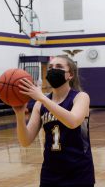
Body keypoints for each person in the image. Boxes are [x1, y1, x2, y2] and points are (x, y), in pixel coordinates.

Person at [13, 55, 95, 187]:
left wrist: (43, 98)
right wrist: (19, 114)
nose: (53, 69)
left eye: (59, 67)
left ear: (70, 75)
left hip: (79, 171)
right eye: (50, 67)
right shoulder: (40, 105)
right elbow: (25, 141)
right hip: (50, 173)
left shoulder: (80, 97)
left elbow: (73, 122)